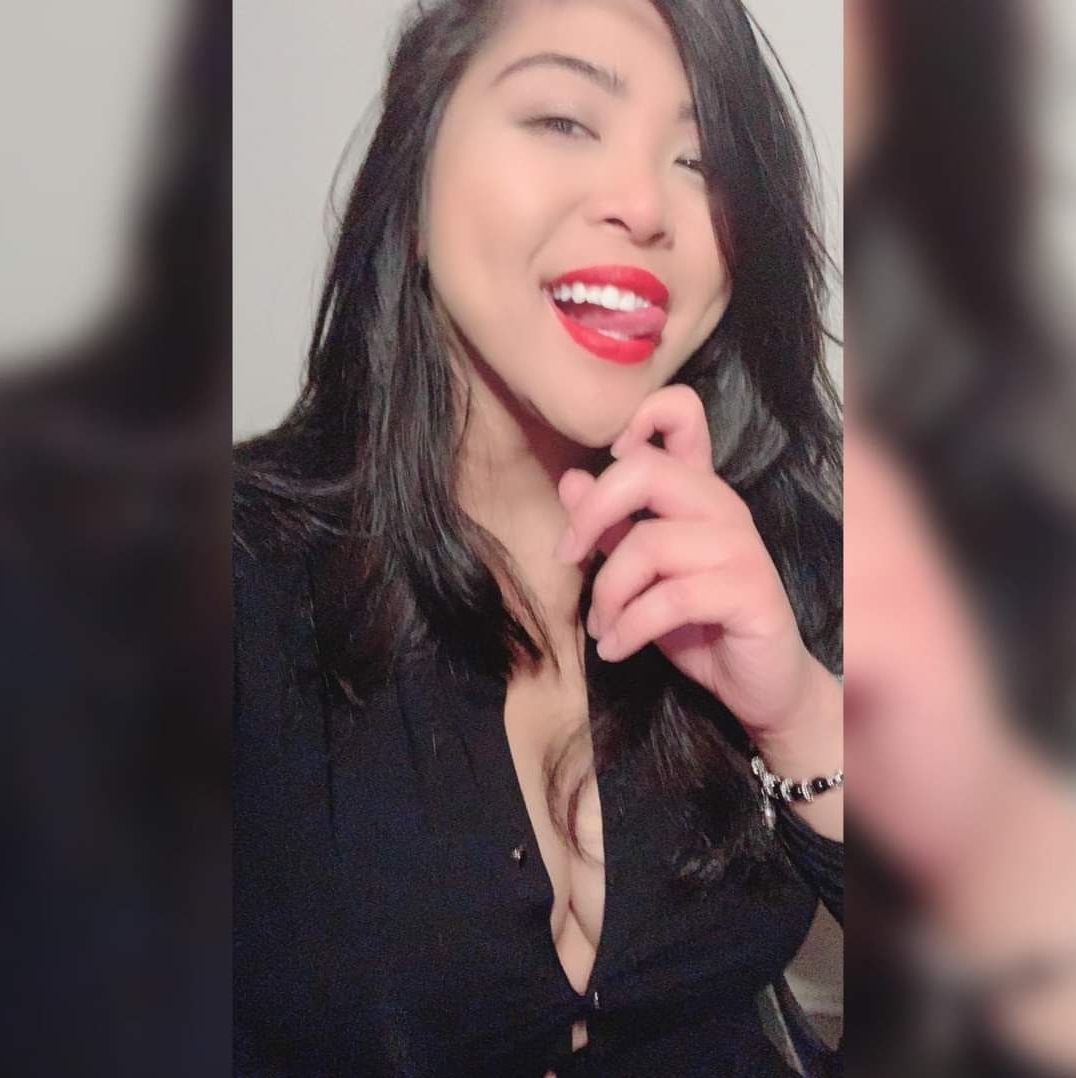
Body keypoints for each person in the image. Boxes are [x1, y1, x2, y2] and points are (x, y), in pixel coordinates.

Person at [234, 1, 843, 1074]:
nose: (642, 205)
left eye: (700, 160)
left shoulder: (781, 549)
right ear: (414, 177)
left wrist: (800, 714)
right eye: (564, 120)